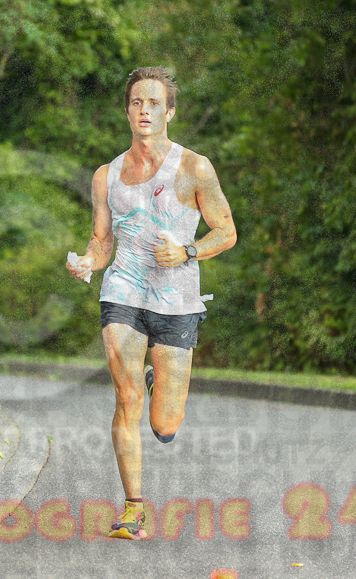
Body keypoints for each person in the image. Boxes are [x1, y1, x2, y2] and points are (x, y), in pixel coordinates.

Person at [66, 66, 237, 540]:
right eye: (137, 102)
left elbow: (226, 231)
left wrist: (187, 252)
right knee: (126, 399)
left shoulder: (194, 168)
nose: (145, 110)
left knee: (165, 422)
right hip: (123, 289)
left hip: (176, 299)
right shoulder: (106, 176)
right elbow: (102, 241)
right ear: (127, 111)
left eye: (154, 103)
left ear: (170, 113)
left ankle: (157, 382)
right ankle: (133, 509)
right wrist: (88, 261)